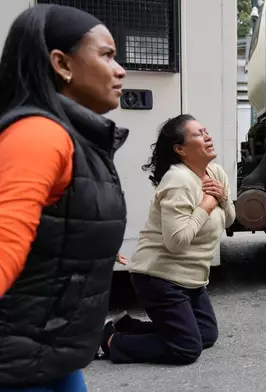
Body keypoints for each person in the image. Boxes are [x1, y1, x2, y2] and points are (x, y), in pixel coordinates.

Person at [0, 4, 128, 391]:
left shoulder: (75, 137)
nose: (120, 69)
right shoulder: (40, 135)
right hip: (17, 364)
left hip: (49, 354)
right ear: (62, 64)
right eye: (107, 55)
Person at [98, 114, 236, 365]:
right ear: (180, 149)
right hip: (158, 277)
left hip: (190, 278)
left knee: (206, 334)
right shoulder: (178, 181)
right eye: (198, 134)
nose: (208, 136)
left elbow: (228, 221)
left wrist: (224, 199)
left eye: (206, 130)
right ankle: (110, 341)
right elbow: (176, 241)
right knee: (186, 348)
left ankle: (126, 326)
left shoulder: (216, 172)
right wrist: (206, 205)